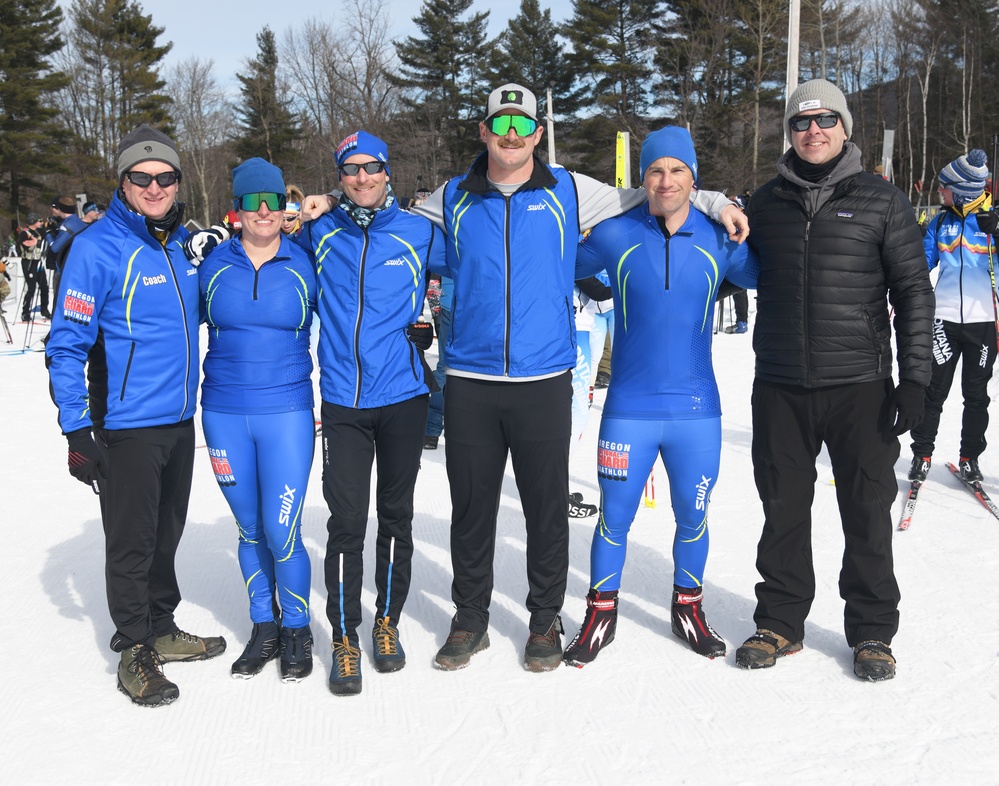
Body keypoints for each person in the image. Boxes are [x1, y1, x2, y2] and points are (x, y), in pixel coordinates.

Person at [405, 83, 748, 673]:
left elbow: (657, 193)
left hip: (544, 379)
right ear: (484, 131)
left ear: (538, 133)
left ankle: (544, 620)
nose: (511, 135)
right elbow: (391, 224)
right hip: (470, 379)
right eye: (500, 124)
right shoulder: (452, 196)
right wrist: (328, 206)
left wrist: (716, 202)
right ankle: (470, 618)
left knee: (545, 508)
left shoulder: (571, 190)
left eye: (522, 125)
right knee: (471, 508)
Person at [734, 79, 933, 682]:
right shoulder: (764, 203)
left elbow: (914, 294)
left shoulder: (883, 201)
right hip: (782, 384)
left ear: (846, 128)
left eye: (825, 120)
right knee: (783, 510)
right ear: (789, 133)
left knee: (867, 511)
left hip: (860, 385)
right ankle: (780, 620)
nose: (813, 130)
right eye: (801, 122)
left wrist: (915, 379)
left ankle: (873, 630)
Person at [563, 127, 757, 667]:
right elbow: (551, 259)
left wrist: (735, 211)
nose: (666, 180)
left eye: (677, 170)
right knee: (613, 516)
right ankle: (601, 611)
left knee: (693, 515)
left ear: (694, 178)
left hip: (697, 410)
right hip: (629, 408)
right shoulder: (616, 234)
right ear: (642, 178)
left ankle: (687, 607)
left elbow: (780, 271)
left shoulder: (721, 238)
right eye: (655, 170)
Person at [46, 124, 225, 707]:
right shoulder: (97, 248)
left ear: (177, 183)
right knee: (131, 540)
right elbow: (66, 345)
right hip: (125, 425)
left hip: (177, 419)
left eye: (166, 177)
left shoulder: (179, 244)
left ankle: (161, 625)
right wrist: (76, 427)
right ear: (122, 183)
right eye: (141, 178)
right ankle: (134, 648)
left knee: (167, 532)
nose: (154, 186)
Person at [296, 131, 444, 695]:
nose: (361, 178)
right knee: (345, 524)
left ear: (388, 172)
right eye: (349, 170)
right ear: (339, 177)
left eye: (371, 168)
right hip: (343, 403)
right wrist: (313, 206)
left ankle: (387, 623)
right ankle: (343, 635)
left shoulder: (418, 232)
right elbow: (270, 236)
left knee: (396, 517)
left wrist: (435, 322)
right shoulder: (320, 234)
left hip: (405, 397)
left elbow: (475, 259)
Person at [199, 158, 318, 682]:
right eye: (252, 202)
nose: (264, 212)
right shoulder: (210, 265)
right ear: (237, 209)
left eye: (273, 202)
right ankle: (263, 626)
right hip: (223, 412)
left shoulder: (306, 259)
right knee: (249, 529)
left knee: (281, 528)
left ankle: (297, 627)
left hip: (286, 412)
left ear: (286, 208)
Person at [908, 150, 997, 484]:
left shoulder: (992, 219)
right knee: (932, 392)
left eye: (944, 186)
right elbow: (921, 263)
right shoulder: (941, 222)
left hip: (984, 323)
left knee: (976, 395)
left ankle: (969, 458)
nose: (939, 192)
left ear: (960, 189)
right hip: (943, 319)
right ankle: (921, 454)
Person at [18, 213, 49, 321]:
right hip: (29, 262)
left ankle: (44, 309)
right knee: (31, 288)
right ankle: (25, 312)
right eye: (39, 221)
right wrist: (35, 242)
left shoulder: (39, 231)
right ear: (33, 222)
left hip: (38, 262)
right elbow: (26, 247)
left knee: (44, 286)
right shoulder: (24, 233)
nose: (40, 223)